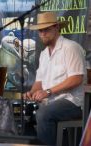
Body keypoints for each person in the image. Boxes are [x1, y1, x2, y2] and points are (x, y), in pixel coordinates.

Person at [24, 12, 85, 145]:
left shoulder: (70, 47)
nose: (43, 33)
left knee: (44, 114)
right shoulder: (44, 54)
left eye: (47, 29)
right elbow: (39, 82)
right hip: (50, 102)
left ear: (57, 27)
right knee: (20, 110)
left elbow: (76, 78)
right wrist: (31, 93)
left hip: (72, 102)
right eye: (40, 30)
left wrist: (48, 91)